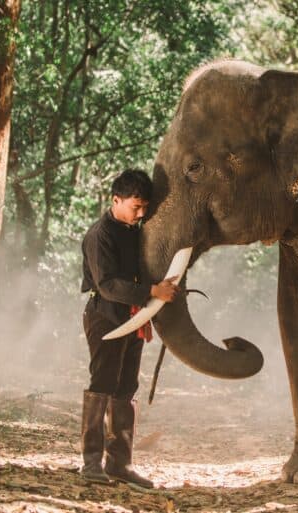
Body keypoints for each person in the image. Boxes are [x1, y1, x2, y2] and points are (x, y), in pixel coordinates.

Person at [79, 169, 179, 487]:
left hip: (135, 317)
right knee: (103, 383)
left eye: (144, 207)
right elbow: (107, 285)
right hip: (105, 317)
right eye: (135, 207)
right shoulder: (99, 235)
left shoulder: (136, 231)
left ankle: (119, 464)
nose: (140, 214)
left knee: (126, 387)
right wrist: (152, 292)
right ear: (116, 200)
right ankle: (91, 463)